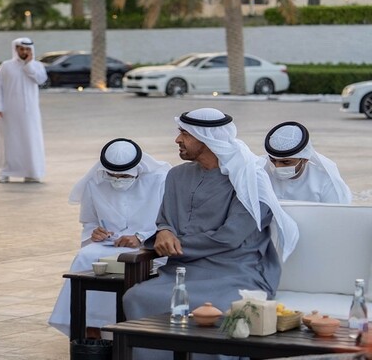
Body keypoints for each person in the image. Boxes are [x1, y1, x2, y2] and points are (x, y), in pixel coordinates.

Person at [122, 108, 299, 360]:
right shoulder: (176, 175)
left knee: (218, 309)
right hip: (183, 271)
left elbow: (230, 237)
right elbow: (165, 220)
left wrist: (175, 244)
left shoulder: (250, 179)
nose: (178, 140)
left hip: (236, 271)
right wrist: (164, 231)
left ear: (206, 139)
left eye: (185, 134)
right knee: (136, 296)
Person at [48, 138, 171, 337]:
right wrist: (95, 232)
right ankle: (90, 327)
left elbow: (169, 221)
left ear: (138, 170)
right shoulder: (95, 182)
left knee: (130, 262)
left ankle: (120, 327)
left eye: (124, 176)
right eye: (112, 175)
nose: (118, 180)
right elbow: (89, 221)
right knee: (85, 257)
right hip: (109, 244)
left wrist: (141, 236)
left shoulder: (160, 180)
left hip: (149, 245)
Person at [0, 37, 47, 183]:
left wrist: (29, 65)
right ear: (16, 49)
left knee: (31, 140)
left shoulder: (37, 66)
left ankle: (32, 173)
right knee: (9, 141)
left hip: (30, 112)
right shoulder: (6, 66)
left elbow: (40, 80)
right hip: (9, 111)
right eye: (22, 49)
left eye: (27, 49)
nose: (24, 52)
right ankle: (5, 173)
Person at [261, 121, 352, 204]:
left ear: (305, 159)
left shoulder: (325, 180)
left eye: (286, 162)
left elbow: (337, 212)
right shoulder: (261, 170)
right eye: (273, 160)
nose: (277, 166)